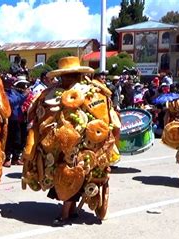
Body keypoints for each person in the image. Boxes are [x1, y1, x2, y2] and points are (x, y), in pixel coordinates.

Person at [22, 56, 118, 226]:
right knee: (66, 174)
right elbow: (39, 119)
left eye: (70, 76)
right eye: (64, 76)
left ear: (77, 75)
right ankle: (71, 208)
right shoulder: (50, 94)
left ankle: (65, 213)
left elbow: (104, 118)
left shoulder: (92, 93)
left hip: (82, 143)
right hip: (59, 143)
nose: (66, 79)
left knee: (70, 172)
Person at [3, 75, 28, 167]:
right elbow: (11, 102)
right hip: (10, 119)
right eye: (23, 85)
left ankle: (15, 158)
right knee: (9, 140)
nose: (24, 87)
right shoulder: (7, 93)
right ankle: (7, 158)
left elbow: (20, 102)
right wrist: (23, 96)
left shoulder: (18, 92)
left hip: (18, 119)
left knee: (18, 139)